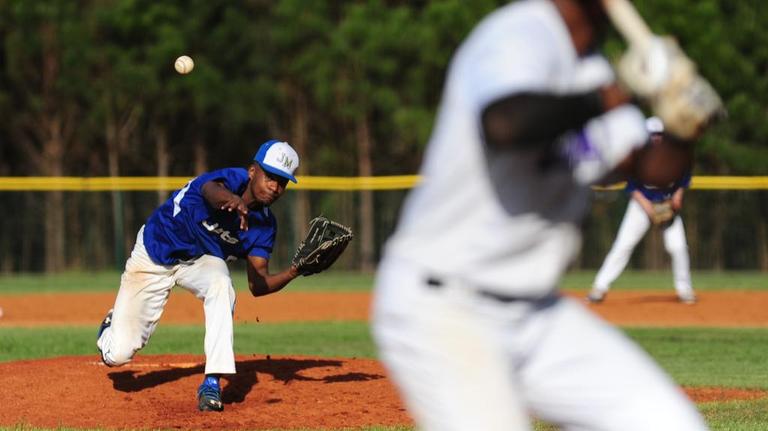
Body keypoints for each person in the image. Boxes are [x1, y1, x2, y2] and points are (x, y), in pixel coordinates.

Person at [371, 0, 709, 430]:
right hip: (445, 305)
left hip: (534, 313)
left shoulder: (596, 71)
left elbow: (648, 168)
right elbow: (506, 124)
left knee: (667, 422)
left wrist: (682, 129)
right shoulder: (521, 34)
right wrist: (620, 91)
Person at [97, 139, 302, 412]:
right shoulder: (229, 180)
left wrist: (294, 271)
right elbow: (209, 189)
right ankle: (110, 327)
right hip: (155, 253)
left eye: (283, 182)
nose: (276, 187)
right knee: (117, 355)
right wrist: (233, 201)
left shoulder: (264, 225)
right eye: (271, 177)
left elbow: (258, 284)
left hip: (200, 260)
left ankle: (212, 382)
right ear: (253, 171)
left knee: (222, 284)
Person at [587, 117, 696, 305]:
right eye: (652, 135)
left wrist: (677, 197)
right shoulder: (637, 158)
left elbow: (683, 180)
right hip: (641, 205)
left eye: (659, 135)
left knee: (677, 247)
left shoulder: (676, 156)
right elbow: (632, 188)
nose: (656, 138)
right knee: (624, 245)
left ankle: (685, 290)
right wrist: (648, 209)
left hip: (666, 204)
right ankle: (599, 287)